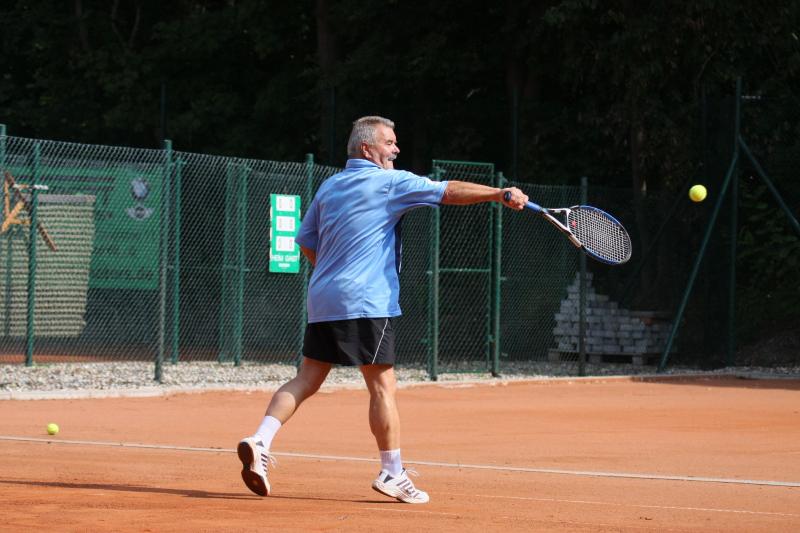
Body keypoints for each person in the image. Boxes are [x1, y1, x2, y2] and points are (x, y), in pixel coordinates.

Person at [237, 116, 529, 504]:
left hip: (323, 297)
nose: (396, 149)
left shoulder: (329, 186)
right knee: (382, 385)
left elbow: (306, 241)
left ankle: (261, 439)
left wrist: (335, 275)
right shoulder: (389, 182)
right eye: (389, 143)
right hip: (365, 301)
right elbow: (446, 191)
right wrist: (497, 193)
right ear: (366, 148)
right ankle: (392, 472)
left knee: (307, 378)